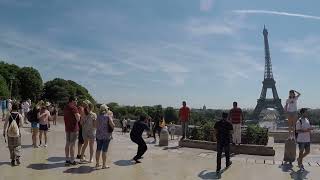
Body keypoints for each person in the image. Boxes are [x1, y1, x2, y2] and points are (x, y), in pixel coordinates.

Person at [95, 104, 115, 169]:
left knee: (98, 150)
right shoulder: (108, 116)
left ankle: (97, 164)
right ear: (106, 109)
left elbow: (94, 125)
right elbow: (113, 125)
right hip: (106, 136)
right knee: (104, 151)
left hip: (98, 135)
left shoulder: (97, 116)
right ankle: (104, 165)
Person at [64, 96, 81, 166]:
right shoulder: (74, 108)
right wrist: (79, 115)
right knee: (72, 144)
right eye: (76, 100)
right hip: (74, 128)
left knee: (67, 143)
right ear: (72, 101)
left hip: (67, 128)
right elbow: (78, 119)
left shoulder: (66, 107)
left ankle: (67, 159)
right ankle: (72, 160)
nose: (77, 101)